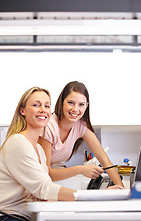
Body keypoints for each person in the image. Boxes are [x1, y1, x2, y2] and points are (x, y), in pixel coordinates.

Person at [0, 87, 76, 221]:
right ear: (22, 111)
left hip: (25, 216)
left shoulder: (39, 150)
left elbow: (43, 190)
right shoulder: (18, 142)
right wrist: (87, 197)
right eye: (36, 105)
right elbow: (44, 188)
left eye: (47, 106)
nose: (43, 110)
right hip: (10, 217)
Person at [38, 81, 124, 187]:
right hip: (32, 180)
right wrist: (80, 169)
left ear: (86, 106)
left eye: (81, 104)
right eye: (71, 103)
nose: (75, 109)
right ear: (61, 102)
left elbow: (105, 161)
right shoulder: (49, 126)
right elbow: (45, 173)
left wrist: (122, 190)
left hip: (46, 182)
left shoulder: (80, 126)